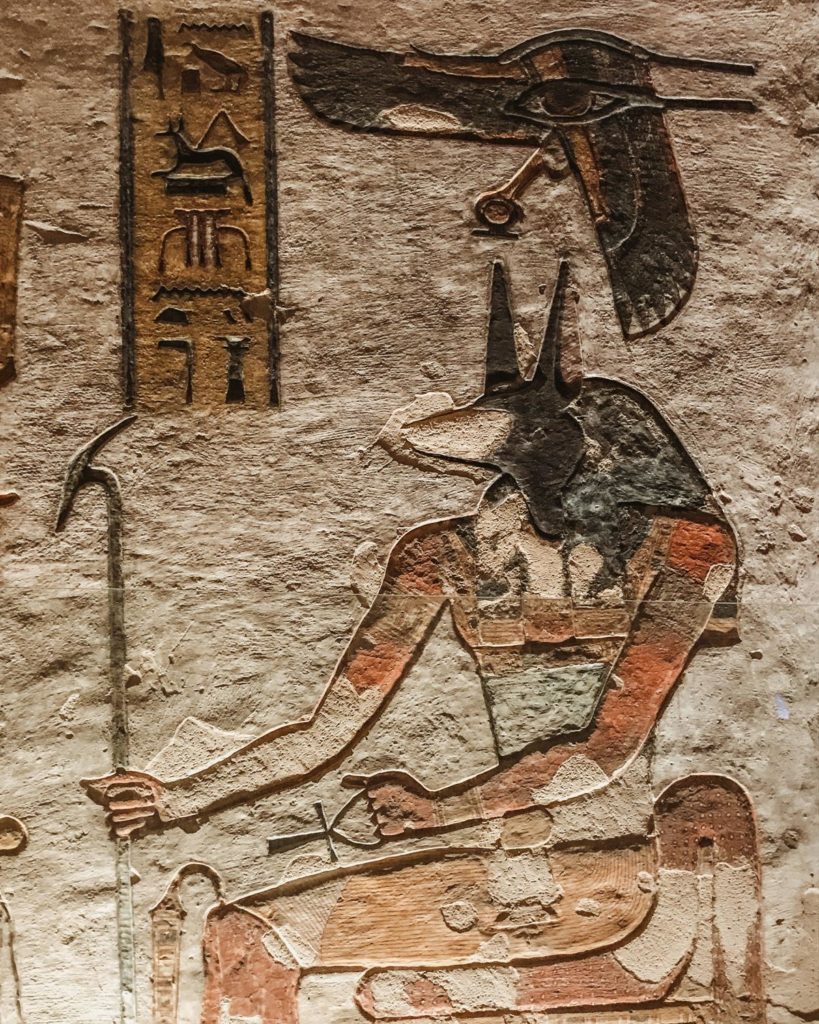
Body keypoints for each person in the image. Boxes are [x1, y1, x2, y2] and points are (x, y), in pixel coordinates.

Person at [86, 262, 752, 1023]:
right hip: (493, 851)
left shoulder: (688, 551)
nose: (518, 488)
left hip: (605, 874)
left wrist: (442, 810)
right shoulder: (439, 555)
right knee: (246, 938)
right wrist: (176, 796)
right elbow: (326, 730)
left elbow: (605, 751)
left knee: (307, 962)